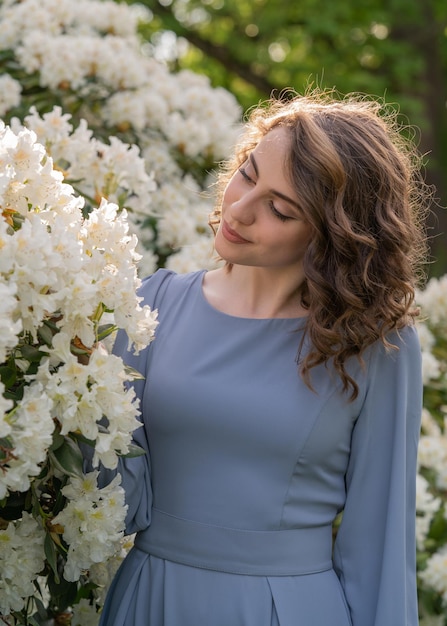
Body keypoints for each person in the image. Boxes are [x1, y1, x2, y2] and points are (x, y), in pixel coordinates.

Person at [98, 89, 429, 626]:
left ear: (331, 237)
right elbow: (103, 491)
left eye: (279, 209)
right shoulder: (150, 304)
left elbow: (380, 549)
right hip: (150, 598)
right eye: (248, 174)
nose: (240, 209)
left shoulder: (375, 344)